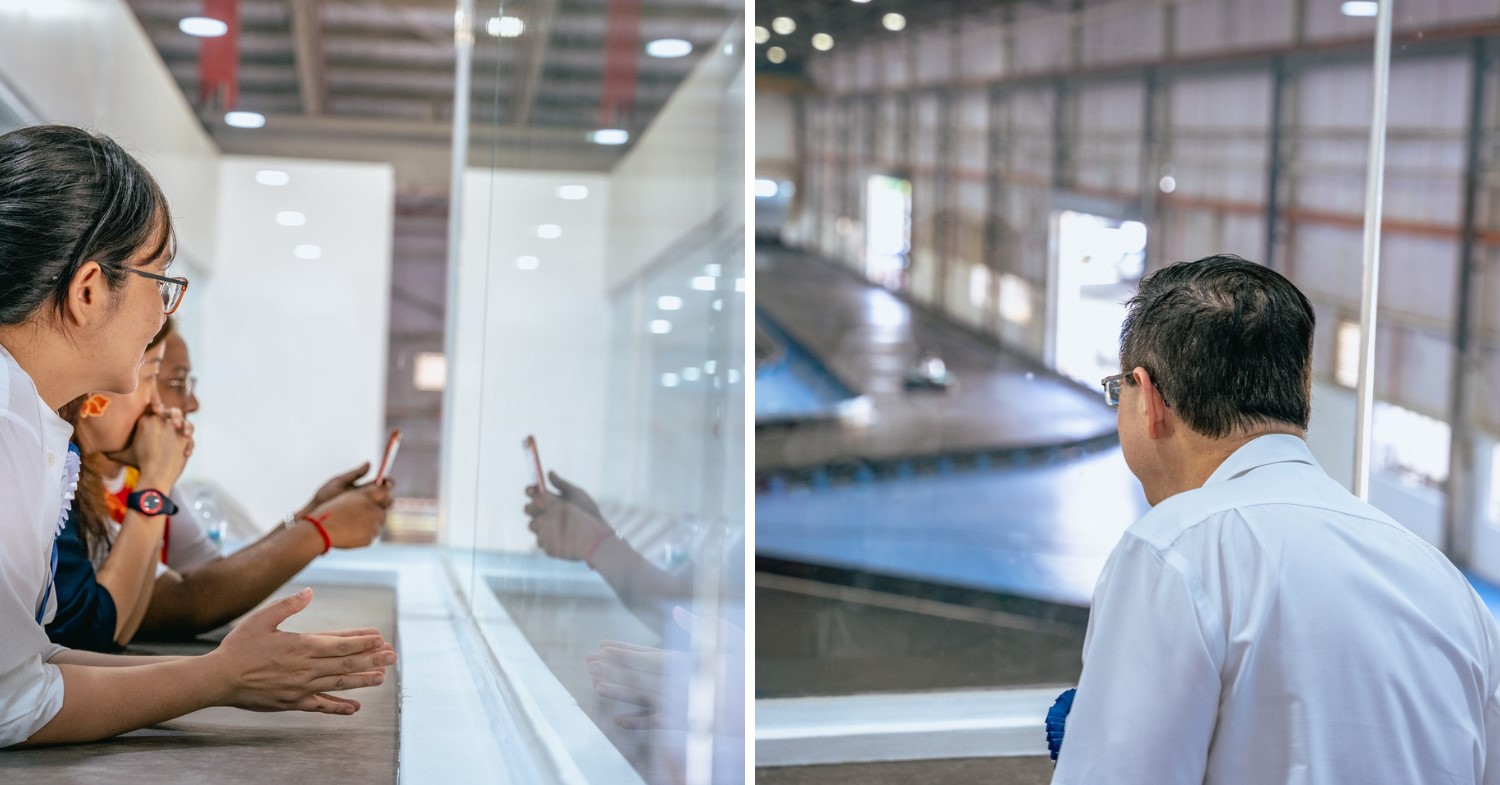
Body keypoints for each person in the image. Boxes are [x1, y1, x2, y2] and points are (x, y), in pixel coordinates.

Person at [0, 124, 391, 748]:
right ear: (89, 290)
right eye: (160, 281)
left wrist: (221, 676)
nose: (166, 311)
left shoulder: (31, 422)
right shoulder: (9, 427)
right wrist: (216, 679)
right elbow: (13, 701)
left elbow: (30, 664)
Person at [1050, 255, 1500, 783]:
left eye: (1115, 391)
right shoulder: (1447, 587)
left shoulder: (1174, 554)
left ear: (1148, 399)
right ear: (1302, 395)